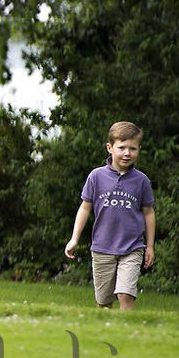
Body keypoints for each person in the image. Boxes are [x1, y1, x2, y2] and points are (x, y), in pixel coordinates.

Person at [64, 122, 156, 311]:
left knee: (125, 294)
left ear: (139, 149)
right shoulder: (96, 177)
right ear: (110, 147)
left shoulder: (141, 181)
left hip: (132, 247)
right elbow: (84, 208)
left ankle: (127, 334)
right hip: (102, 247)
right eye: (121, 148)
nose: (127, 153)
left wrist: (150, 246)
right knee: (104, 302)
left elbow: (149, 213)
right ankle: (106, 334)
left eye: (133, 148)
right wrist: (74, 239)